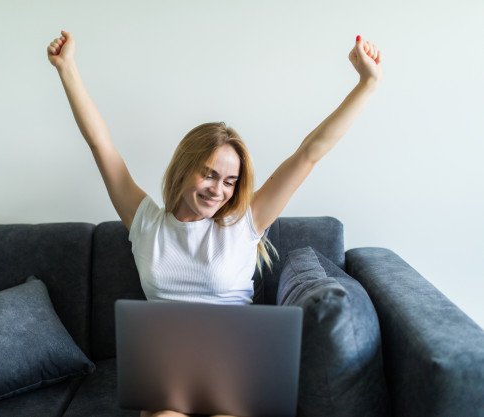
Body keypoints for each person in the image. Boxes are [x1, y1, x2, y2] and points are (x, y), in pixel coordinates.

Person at [47, 30, 382, 417]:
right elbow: (100, 145)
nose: (217, 190)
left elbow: (309, 154)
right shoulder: (145, 223)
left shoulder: (245, 224)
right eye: (208, 175)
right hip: (168, 374)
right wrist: (66, 68)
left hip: (236, 371)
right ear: (184, 167)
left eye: (229, 181)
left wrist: (366, 85)